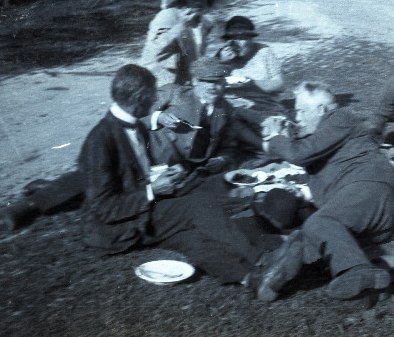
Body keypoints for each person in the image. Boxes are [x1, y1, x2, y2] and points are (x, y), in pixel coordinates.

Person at [1, 59, 260, 231]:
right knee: (103, 174)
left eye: (219, 82)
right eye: (208, 81)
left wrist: (216, 162)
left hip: (182, 172)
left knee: (130, 198)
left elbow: (229, 148)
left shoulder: (226, 111)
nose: (214, 87)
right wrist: (159, 118)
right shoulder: (174, 93)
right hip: (148, 151)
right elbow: (137, 112)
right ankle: (32, 204)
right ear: (195, 82)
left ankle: (46, 188)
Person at [67, 64, 270, 283]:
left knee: (190, 238)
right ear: (138, 98)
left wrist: (164, 175)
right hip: (113, 229)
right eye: (153, 95)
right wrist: (152, 190)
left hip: (137, 216)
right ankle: (262, 260)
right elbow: (105, 207)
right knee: (198, 204)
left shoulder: (135, 126)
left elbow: (131, 178)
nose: (156, 100)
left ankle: (251, 279)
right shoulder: (100, 140)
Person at [250, 81, 394, 302]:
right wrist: (283, 133)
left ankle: (358, 270)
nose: (298, 117)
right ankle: (269, 278)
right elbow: (304, 148)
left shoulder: (340, 117)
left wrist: (276, 137)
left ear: (321, 109)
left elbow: (299, 154)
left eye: (301, 110)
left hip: (371, 188)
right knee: (307, 234)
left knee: (318, 223)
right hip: (369, 217)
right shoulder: (327, 130)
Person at [140, 0, 227, 86]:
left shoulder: (204, 24)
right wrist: (181, 26)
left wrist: (219, 57)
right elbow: (152, 53)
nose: (199, 0)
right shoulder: (167, 16)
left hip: (185, 86)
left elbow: (196, 61)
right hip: (158, 84)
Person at [216, 15, 285, 94]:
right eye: (232, 39)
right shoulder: (224, 55)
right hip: (233, 103)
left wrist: (251, 84)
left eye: (241, 38)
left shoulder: (264, 52)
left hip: (265, 103)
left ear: (251, 39)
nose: (236, 44)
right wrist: (222, 64)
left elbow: (280, 85)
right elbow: (214, 87)